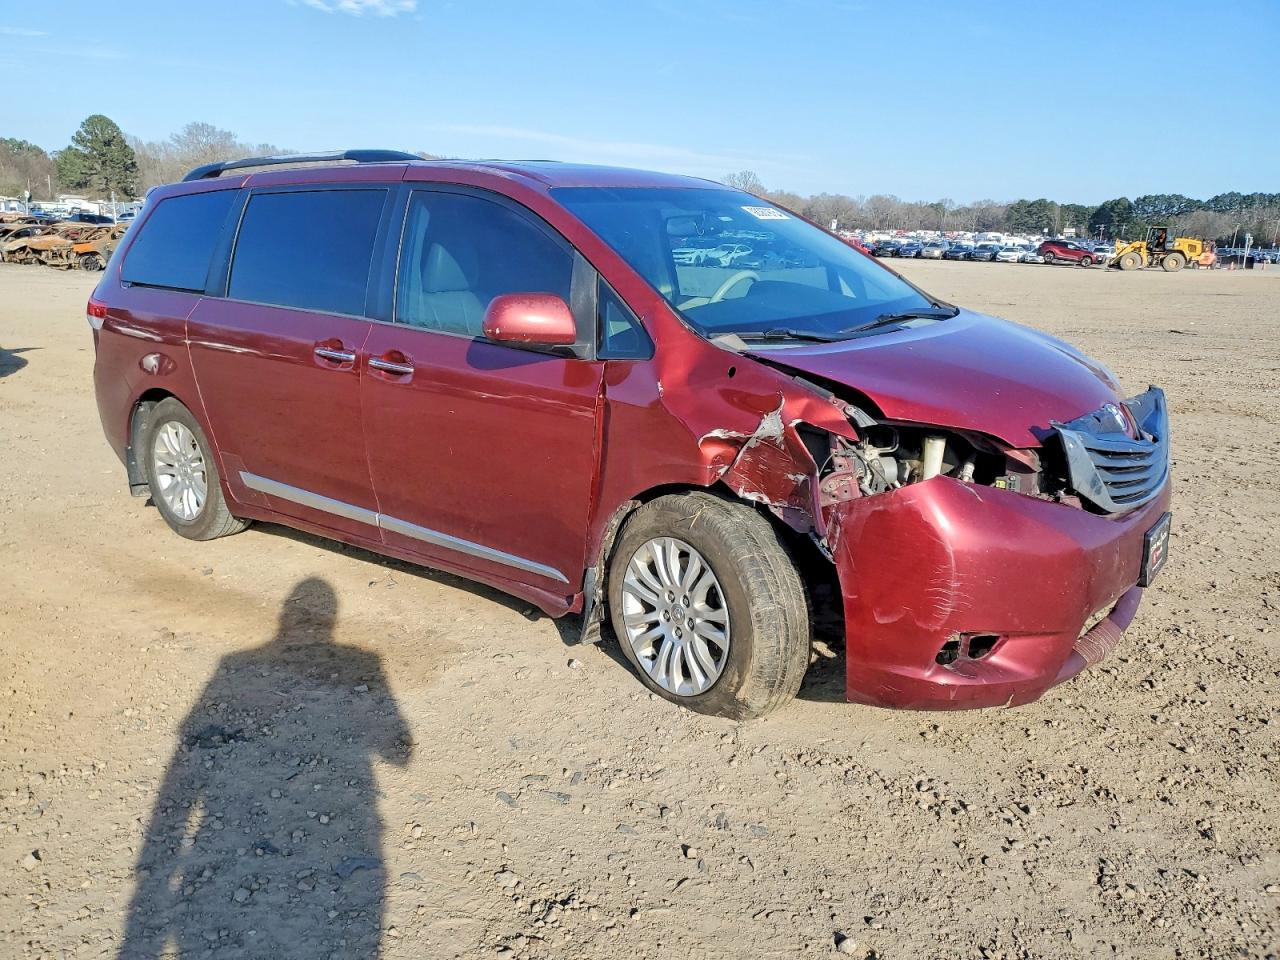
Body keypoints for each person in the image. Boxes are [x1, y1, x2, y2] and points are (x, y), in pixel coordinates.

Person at [118, 578, 411, 958]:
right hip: (347, 831)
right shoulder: (365, 662)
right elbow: (400, 754)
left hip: (225, 828)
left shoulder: (233, 665)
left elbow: (183, 755)